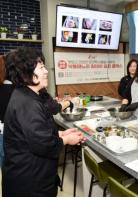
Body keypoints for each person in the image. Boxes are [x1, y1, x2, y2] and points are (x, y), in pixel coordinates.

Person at [2, 47, 86, 197]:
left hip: (29, 175)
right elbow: (43, 144)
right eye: (41, 67)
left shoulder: (28, 95)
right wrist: (66, 139)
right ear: (27, 72)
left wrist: (60, 133)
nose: (46, 71)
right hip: (30, 182)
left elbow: (31, 134)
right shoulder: (27, 103)